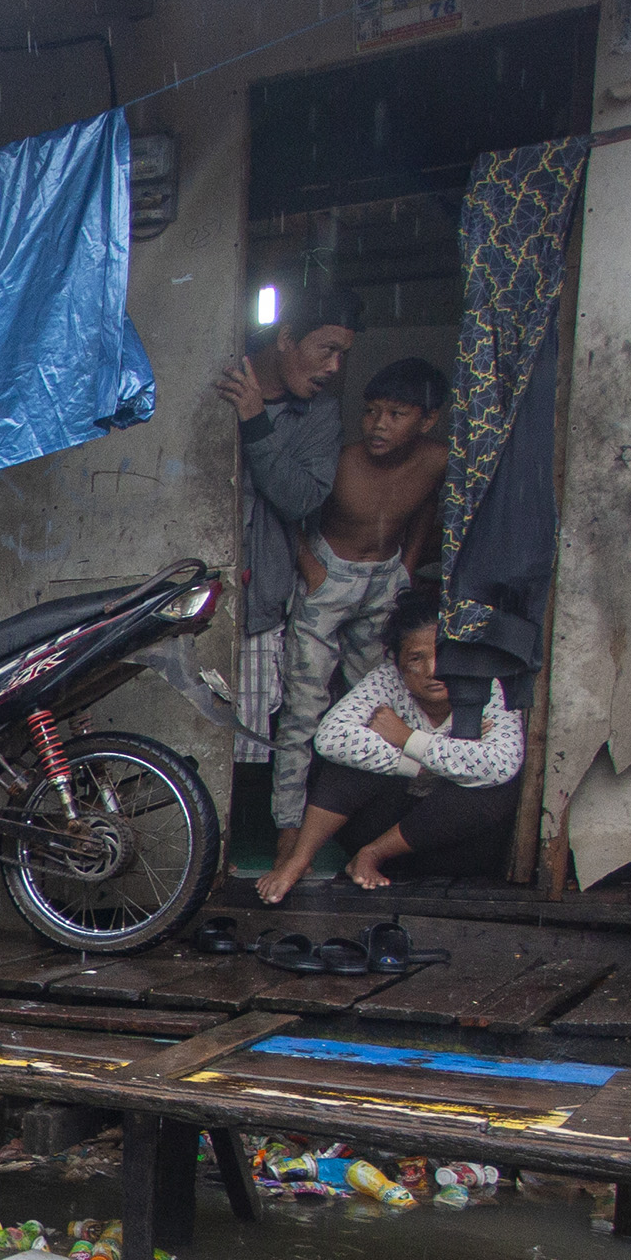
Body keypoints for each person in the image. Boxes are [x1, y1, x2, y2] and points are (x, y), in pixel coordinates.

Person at [252, 357, 450, 894]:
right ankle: (288, 834)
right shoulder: (342, 463)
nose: (378, 425)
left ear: (428, 420)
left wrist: (408, 567)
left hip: (387, 581)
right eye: (371, 412)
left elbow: (426, 509)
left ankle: (368, 833)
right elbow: (289, 507)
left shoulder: (436, 460)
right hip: (328, 578)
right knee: (303, 712)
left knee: (376, 709)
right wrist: (313, 571)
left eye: (396, 414)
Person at [256, 586, 519, 902]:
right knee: (347, 764)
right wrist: (419, 766)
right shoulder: (387, 681)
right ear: (397, 661)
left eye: (443, 652)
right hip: (378, 824)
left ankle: (373, 853)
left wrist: (407, 738)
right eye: (416, 658)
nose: (432, 671)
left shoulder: (488, 688)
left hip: (452, 849)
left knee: (496, 787)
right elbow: (330, 737)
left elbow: (502, 763)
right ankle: (298, 860)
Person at [214, 281, 360, 787]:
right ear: (285, 337)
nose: (334, 367)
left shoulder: (320, 416)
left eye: (343, 355)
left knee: (247, 748)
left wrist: (256, 422)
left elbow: (302, 498)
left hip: (259, 600)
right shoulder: (218, 375)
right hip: (187, 588)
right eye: (327, 349)